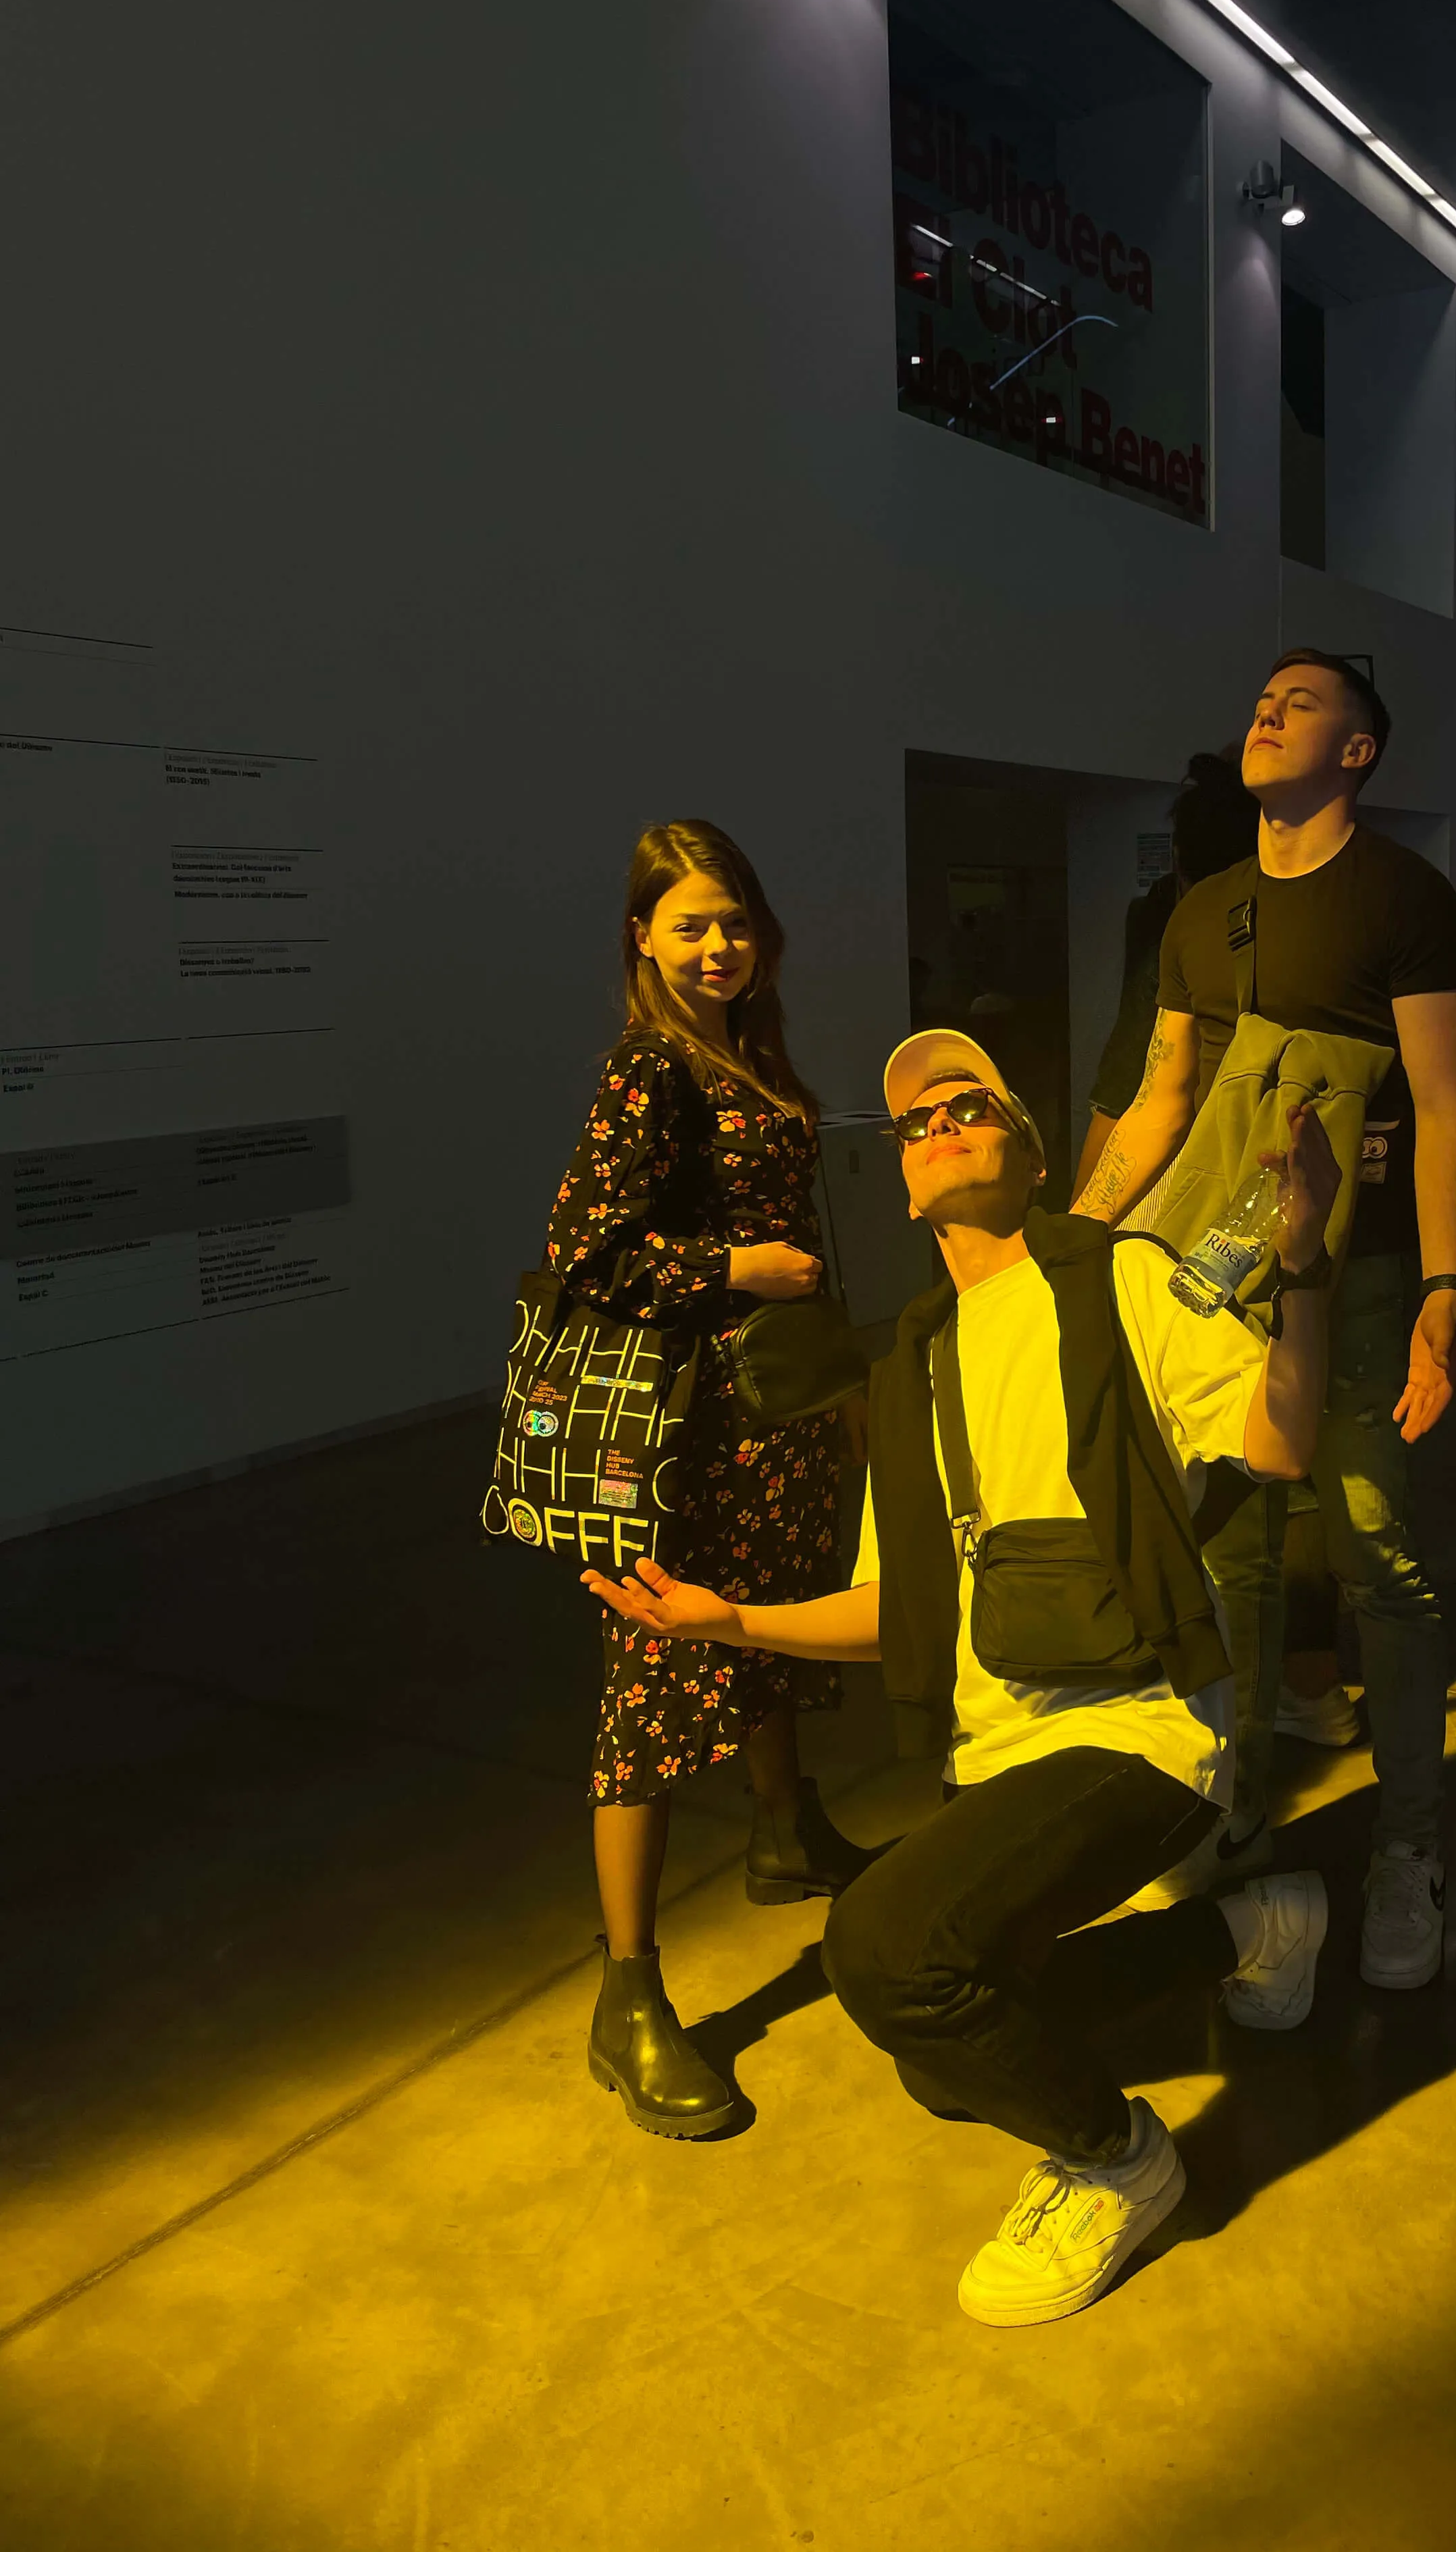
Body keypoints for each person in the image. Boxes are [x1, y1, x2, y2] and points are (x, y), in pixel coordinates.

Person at [585, 1028, 1338, 2326]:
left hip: (1141, 1726)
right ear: (902, 1177)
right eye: (916, 1116)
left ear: (1031, 1153)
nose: (938, 1120)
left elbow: (1276, 1438)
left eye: (971, 1100)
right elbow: (899, 1608)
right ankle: (1245, 1926)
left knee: (881, 1951)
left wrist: (1307, 1258)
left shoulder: (1122, 1283)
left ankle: (1120, 2162)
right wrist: (731, 1622)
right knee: (946, 2053)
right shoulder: (916, 1354)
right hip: (1000, 1739)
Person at [1072, 649, 1456, 1992]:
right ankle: (1230, 1809)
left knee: (1377, 1558)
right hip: (1216, 1279)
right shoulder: (1203, 910)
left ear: (1359, 752)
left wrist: (1439, 1295)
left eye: (1303, 704)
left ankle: (1410, 1849)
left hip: (1355, 1283)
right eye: (1261, 698)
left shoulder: (1406, 902)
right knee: (1231, 1568)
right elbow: (1161, 1099)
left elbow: (1444, 1107)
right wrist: (1078, 1248)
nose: (1267, 711)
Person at [550, 820, 873, 2141]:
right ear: (642, 937)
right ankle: (627, 2000)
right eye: (690, 924)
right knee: (656, 1684)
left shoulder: (744, 1048)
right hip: (686, 1440)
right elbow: (584, 1256)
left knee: (768, 1635)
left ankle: (786, 1831)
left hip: (773, 1416)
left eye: (733, 920)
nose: (719, 944)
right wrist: (732, 1271)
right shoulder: (650, 1071)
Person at [1073, 749, 1260, 1204]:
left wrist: (1078, 1219)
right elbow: (1134, 1077)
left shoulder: (1169, 919)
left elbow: (1130, 1083)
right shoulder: (1166, 917)